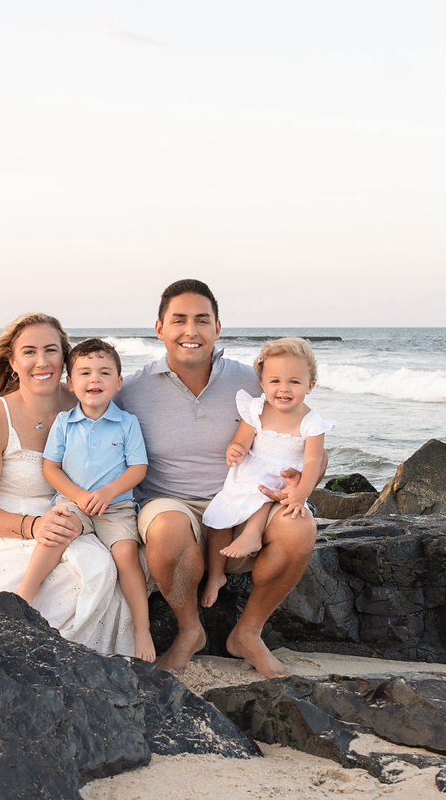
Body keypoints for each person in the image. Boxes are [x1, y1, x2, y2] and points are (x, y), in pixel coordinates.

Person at [116, 280, 320, 677]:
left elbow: (308, 439)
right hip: (173, 506)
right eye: (179, 320)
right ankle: (190, 631)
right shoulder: (132, 390)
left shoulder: (255, 382)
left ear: (217, 328)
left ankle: (248, 633)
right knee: (167, 529)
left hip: (248, 501)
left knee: (300, 527)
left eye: (201, 320)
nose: (190, 331)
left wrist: (302, 480)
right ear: (159, 328)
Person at [0, 313, 133, 656]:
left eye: (51, 350)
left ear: (65, 357)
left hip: (72, 516)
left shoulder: (84, 403)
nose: (42, 361)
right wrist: (35, 526)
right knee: (82, 573)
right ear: (13, 362)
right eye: (29, 352)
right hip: (7, 528)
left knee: (109, 563)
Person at [17, 338, 155, 661]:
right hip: (73, 502)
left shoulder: (127, 423)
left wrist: (109, 492)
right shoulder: (64, 423)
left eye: (105, 373)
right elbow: (50, 467)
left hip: (116, 507)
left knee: (127, 557)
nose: (95, 379)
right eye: (85, 373)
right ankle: (22, 598)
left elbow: (138, 468)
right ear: (70, 383)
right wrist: (78, 496)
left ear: (118, 383)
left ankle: (142, 629)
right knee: (56, 532)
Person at [200, 338, 334, 609]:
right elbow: (241, 440)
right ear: (262, 383)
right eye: (275, 381)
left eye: (294, 382)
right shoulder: (257, 409)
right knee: (218, 521)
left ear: (310, 385)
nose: (284, 389)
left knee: (263, 497)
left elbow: (313, 462)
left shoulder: (312, 423)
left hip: (286, 481)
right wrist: (236, 450)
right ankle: (216, 576)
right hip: (251, 474)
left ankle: (252, 534)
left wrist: (301, 494)